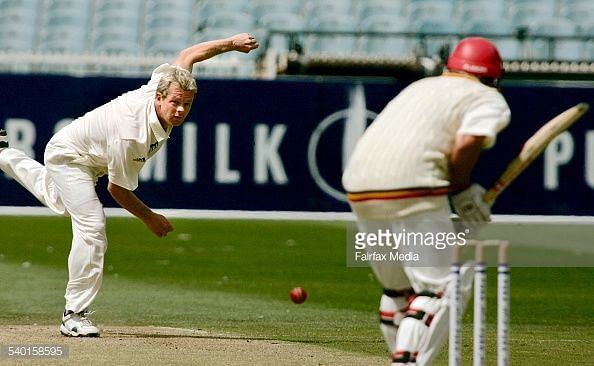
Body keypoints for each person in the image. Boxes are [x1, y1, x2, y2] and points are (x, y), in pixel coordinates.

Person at [0, 33, 259, 337]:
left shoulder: (166, 81)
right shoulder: (132, 134)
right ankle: (74, 314)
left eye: (187, 105)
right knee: (91, 225)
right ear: (159, 98)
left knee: (59, 201)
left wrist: (231, 44)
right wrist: (150, 218)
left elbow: (189, 54)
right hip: (70, 156)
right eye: (175, 102)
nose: (180, 110)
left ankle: (3, 154)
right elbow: (117, 189)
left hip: (89, 155)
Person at [342, 37, 511, 365]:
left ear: (451, 67)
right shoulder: (487, 97)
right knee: (441, 287)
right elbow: (466, 142)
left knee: (399, 291)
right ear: (493, 78)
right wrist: (461, 190)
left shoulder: (420, 86)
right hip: (413, 186)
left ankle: (401, 356)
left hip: (359, 184)